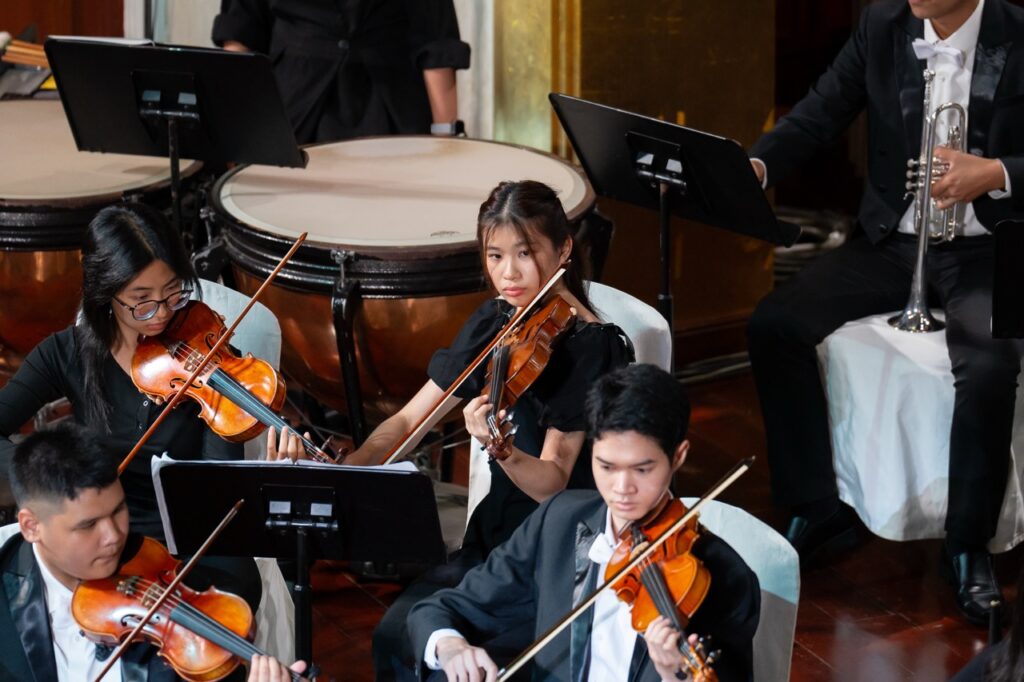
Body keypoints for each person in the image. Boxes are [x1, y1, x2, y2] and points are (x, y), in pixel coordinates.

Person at [745, 0, 1024, 626]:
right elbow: (820, 111)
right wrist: (759, 164)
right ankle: (817, 506)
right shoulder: (882, 24)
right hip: (893, 244)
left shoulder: (1018, 31)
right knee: (775, 325)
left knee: (989, 366)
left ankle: (968, 545)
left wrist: (997, 173)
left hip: (987, 249)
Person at [293, 180, 633, 678]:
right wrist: (347, 468)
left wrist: (502, 450)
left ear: (563, 249)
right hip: (493, 542)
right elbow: (408, 420)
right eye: (495, 255)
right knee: (394, 637)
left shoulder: (592, 347)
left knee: (449, 665)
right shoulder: (498, 321)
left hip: (554, 553)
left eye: (525, 253)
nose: (508, 273)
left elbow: (553, 483)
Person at [0, 203, 306, 610]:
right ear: (106, 293)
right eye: (141, 301)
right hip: (98, 531)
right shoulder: (66, 353)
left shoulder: (208, 354)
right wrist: (53, 479)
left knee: (236, 587)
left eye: (174, 292)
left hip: (186, 532)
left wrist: (264, 469)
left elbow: (214, 489)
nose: (161, 314)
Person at [407, 363, 760, 682]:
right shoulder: (559, 520)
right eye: (606, 466)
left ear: (678, 456)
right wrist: (451, 647)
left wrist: (674, 677)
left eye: (642, 469)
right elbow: (442, 608)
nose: (621, 489)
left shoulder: (726, 578)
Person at [0, 422, 307, 682]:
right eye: (88, 525)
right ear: (31, 527)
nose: (114, 536)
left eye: (118, 510)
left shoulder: (178, 585)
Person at [212, 0, 471, 145]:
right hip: (292, 105)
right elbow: (241, 30)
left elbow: (436, 40)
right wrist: (237, 129)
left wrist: (445, 136)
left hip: (391, 107)